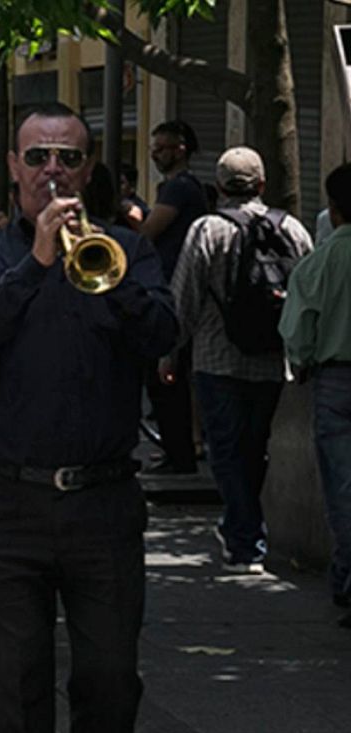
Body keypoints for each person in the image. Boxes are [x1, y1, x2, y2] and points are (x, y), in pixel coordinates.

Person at [0, 102, 177, 733]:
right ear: (14, 166)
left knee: (110, 674)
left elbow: (161, 335)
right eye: (38, 155)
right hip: (8, 501)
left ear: (89, 169)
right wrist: (38, 263)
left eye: (69, 158)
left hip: (103, 502)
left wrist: (101, 274)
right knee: (12, 677)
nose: (54, 171)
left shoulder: (127, 252)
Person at [165, 147, 312, 574]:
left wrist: (169, 350)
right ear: (262, 184)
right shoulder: (293, 229)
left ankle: (244, 540)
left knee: (226, 451)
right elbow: (305, 296)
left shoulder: (207, 229)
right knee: (254, 449)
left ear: (218, 186)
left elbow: (184, 298)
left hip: (216, 359)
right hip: (272, 361)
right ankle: (241, 528)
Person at [280, 163, 351, 625]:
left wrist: (303, 360)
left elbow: (298, 331)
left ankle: (347, 577)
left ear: (334, 207)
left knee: (344, 487)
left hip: (336, 380)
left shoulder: (321, 262)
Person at [140, 120, 208, 475]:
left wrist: (130, 218)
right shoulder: (176, 187)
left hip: (176, 290)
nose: (155, 154)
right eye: (153, 148)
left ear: (181, 149)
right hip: (173, 286)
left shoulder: (180, 188)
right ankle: (181, 446)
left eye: (162, 147)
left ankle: (180, 451)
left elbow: (149, 233)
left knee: (169, 376)